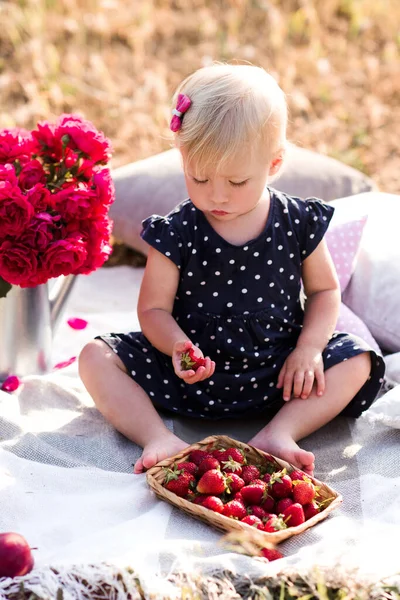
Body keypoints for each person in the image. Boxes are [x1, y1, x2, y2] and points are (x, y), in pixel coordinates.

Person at [79, 64, 385, 476]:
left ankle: (282, 432)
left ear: (274, 163)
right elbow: (153, 310)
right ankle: (157, 436)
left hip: (279, 372)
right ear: (182, 158)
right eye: (198, 177)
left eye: (237, 181)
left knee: (358, 359)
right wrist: (177, 348)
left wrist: (309, 349)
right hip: (191, 376)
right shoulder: (177, 231)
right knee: (94, 357)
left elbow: (325, 292)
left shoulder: (297, 221)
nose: (216, 195)